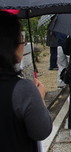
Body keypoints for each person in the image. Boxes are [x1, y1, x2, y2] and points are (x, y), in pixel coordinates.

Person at [0, 11, 52, 151]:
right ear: (11, 43)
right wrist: (40, 98)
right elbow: (42, 131)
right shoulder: (22, 90)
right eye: (21, 38)